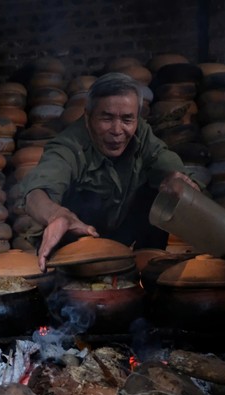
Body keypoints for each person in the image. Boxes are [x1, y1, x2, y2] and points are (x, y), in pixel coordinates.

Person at [20, 72, 200, 271]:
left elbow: (165, 162)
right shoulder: (69, 146)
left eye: (127, 119)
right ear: (88, 117)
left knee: (161, 190)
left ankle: (148, 271)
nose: (117, 130)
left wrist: (176, 179)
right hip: (76, 242)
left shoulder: (141, 133)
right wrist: (56, 215)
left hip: (119, 232)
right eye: (106, 118)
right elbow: (36, 193)